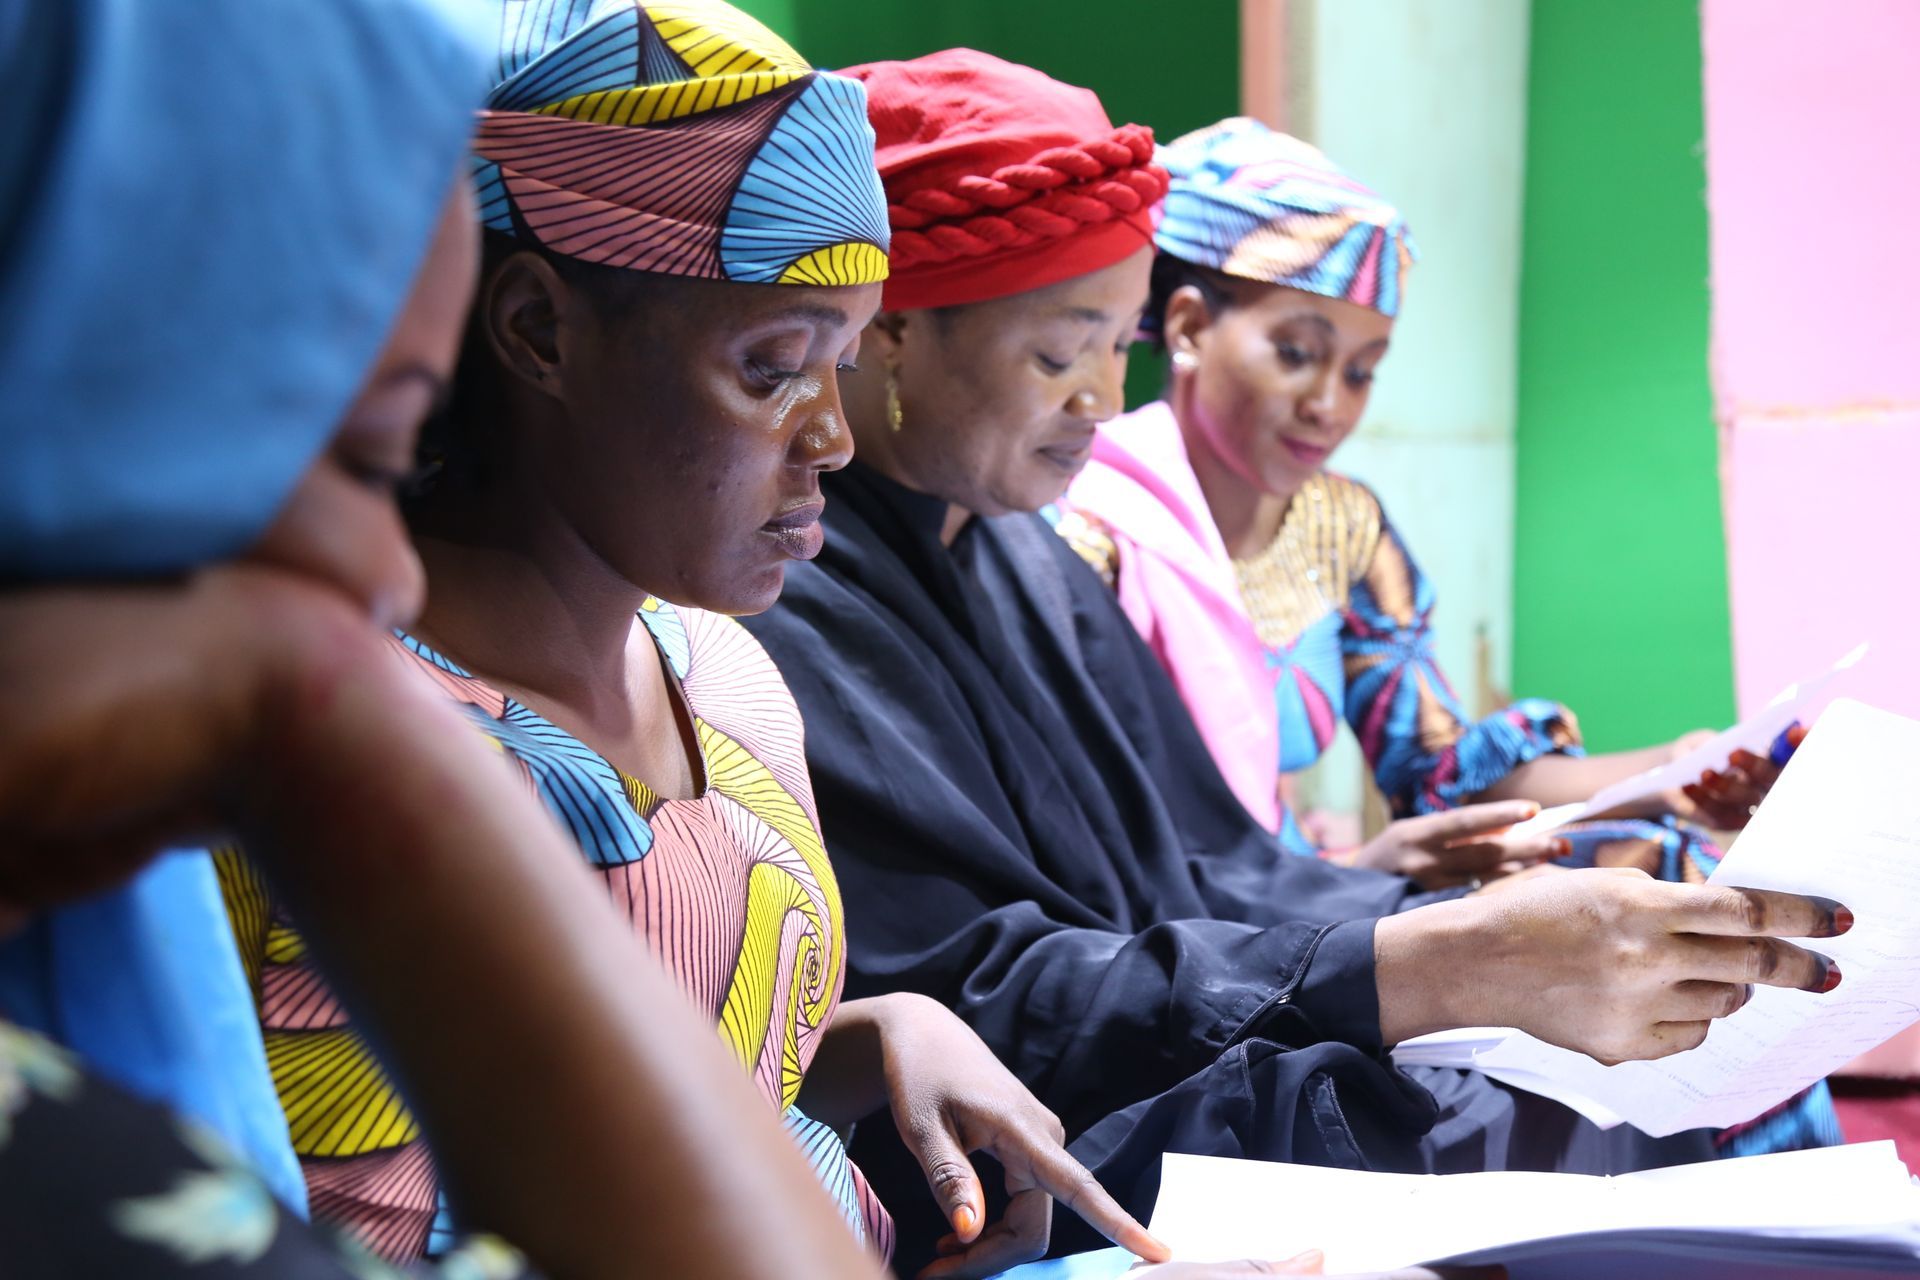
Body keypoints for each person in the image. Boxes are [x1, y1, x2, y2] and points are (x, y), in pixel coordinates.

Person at [739, 48, 1852, 1269]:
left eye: (1117, 350)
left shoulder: (1015, 544)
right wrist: (1427, 956)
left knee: (1654, 1054)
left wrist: (1458, 924)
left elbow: (1218, 861)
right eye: (1062, 354)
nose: (1105, 401)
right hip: (1044, 1128)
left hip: (1184, 1017)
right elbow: (994, 997)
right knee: (1519, 1113)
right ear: (884, 337)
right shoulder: (801, 590)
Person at [217, 6, 1179, 1277]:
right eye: (774, 365)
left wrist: (862, 1034)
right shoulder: (332, 740)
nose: (833, 435)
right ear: (538, 331)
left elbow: (652, 1063)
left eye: (844, 360)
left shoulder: (719, 673)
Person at [0, 1, 906, 1276]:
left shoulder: (732, 678)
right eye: (352, 458)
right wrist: (355, 723)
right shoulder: (62, 1144)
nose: (385, 570)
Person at [1057, 116, 1836, 1155]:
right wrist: (1359, 873)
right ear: (1189, 326)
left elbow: (1439, 770)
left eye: (1364, 369)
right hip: (1194, 932)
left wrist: (1673, 767)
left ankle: (1770, 1204)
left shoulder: (1345, 528)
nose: (1329, 402)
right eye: (1297, 352)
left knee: (1672, 864)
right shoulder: (1083, 531)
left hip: (1334, 885)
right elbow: (1111, 851)